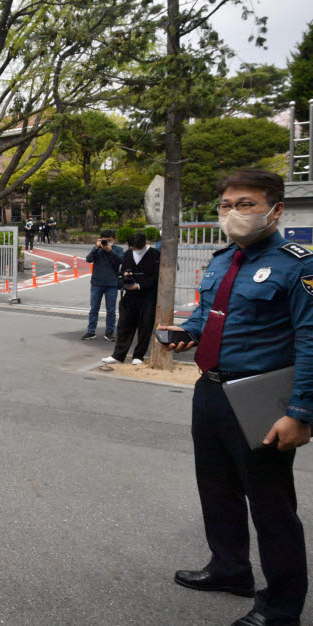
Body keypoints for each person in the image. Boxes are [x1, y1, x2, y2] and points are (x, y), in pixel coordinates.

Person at [161, 169, 310, 626]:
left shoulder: (299, 264)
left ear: (275, 209)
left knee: (271, 506)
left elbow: (310, 340)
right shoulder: (224, 259)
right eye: (226, 206)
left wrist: (300, 412)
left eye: (245, 204)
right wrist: (189, 333)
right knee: (217, 488)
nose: (233, 213)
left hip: (261, 397)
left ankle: (281, 607)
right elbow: (210, 312)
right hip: (210, 390)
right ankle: (229, 569)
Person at [102, 233, 160, 365]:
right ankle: (118, 354)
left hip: (148, 296)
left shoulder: (155, 254)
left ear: (144, 244)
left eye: (137, 247)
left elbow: (157, 277)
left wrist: (139, 285)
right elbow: (123, 271)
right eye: (132, 247)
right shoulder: (128, 254)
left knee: (145, 325)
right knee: (124, 324)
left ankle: (138, 355)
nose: (135, 250)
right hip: (129, 295)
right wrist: (125, 276)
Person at [82, 229, 123, 341]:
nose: (107, 243)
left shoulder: (118, 249)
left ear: (114, 239)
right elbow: (88, 259)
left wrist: (110, 250)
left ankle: (109, 332)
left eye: (109, 240)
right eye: (105, 240)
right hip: (96, 283)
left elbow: (121, 261)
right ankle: (91, 331)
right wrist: (96, 247)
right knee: (94, 308)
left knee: (111, 310)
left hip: (112, 284)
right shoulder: (97, 249)